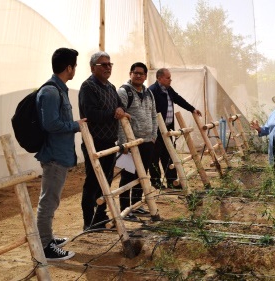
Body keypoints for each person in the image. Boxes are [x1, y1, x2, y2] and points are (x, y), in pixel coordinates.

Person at [35, 48, 86, 260]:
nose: (75, 69)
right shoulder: (50, 92)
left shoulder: (59, 89)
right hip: (54, 156)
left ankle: (46, 237)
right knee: (48, 201)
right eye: (74, 66)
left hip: (60, 154)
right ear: (68, 67)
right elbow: (51, 124)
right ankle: (45, 246)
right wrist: (76, 125)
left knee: (51, 200)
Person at [78, 51, 129, 231]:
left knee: (106, 180)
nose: (108, 67)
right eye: (104, 64)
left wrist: (120, 110)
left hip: (109, 142)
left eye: (110, 64)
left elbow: (119, 105)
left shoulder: (110, 87)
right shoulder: (88, 87)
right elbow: (91, 115)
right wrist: (114, 114)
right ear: (93, 68)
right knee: (93, 181)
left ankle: (101, 216)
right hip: (94, 143)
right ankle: (89, 221)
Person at [148, 68, 202, 189]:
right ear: (159, 78)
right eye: (168, 78)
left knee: (169, 155)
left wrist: (192, 108)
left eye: (170, 78)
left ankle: (172, 182)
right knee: (155, 156)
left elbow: (179, 99)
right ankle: (156, 182)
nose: (170, 80)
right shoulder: (152, 91)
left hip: (168, 129)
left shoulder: (169, 89)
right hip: (156, 130)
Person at [117, 62, 157, 220]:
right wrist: (123, 142)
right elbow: (119, 119)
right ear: (130, 74)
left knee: (142, 174)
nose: (138, 75)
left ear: (146, 76)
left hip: (147, 141)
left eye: (141, 73)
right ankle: (125, 209)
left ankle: (136, 205)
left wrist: (154, 136)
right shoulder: (124, 92)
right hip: (131, 143)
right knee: (128, 176)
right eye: (135, 73)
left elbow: (154, 115)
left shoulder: (149, 93)